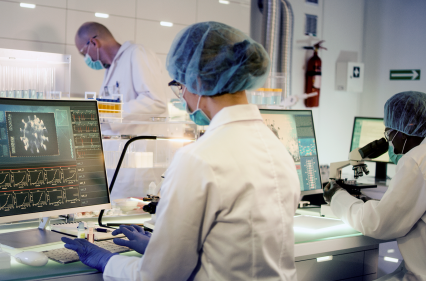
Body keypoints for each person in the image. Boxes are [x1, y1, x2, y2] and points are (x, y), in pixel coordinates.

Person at [63, 21, 301, 280]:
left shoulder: (198, 160)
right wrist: (159, 247)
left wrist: (106, 260)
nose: (182, 96)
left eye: (180, 85)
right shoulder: (277, 148)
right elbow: (236, 242)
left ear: (197, 79)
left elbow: (158, 277)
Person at [324, 91, 426, 281]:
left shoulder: (417, 160)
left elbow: (379, 223)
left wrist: (337, 197)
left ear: (403, 133)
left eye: (389, 134)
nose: (389, 144)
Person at [75, 22, 168, 122]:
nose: (87, 59)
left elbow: (155, 102)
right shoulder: (111, 68)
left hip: (140, 137)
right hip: (119, 137)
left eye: (84, 54)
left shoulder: (137, 53)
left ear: (94, 43)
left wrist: (108, 112)